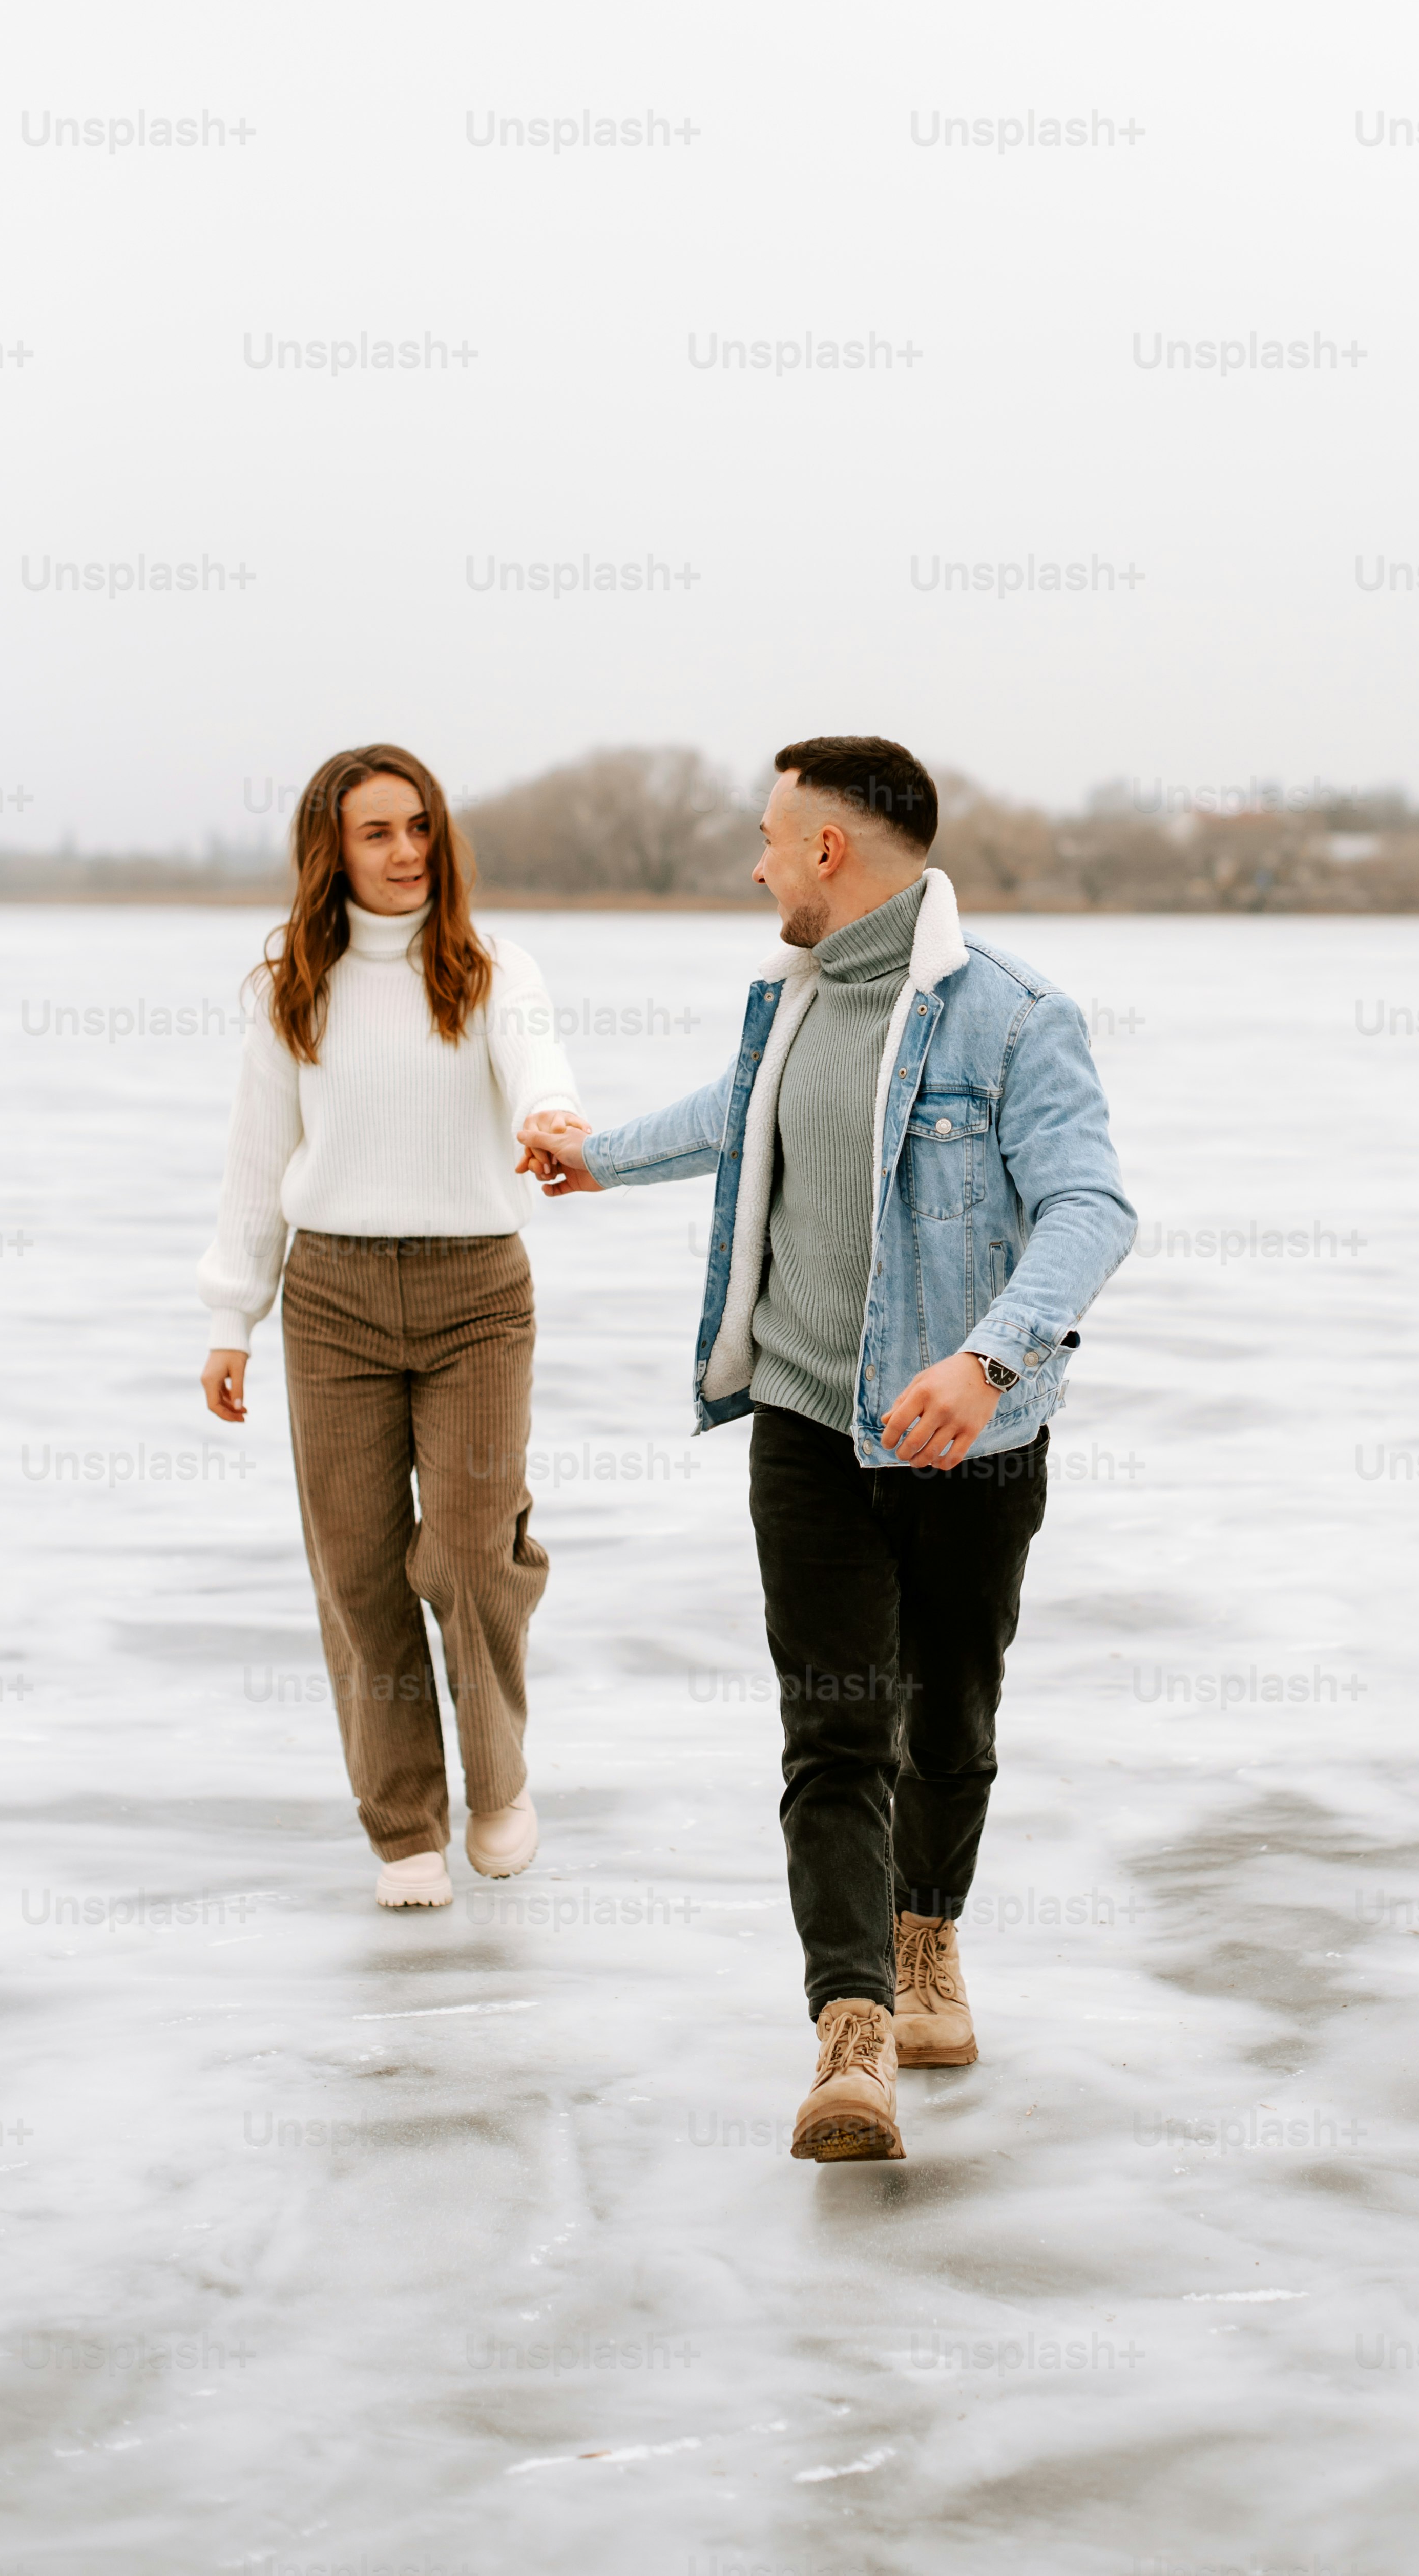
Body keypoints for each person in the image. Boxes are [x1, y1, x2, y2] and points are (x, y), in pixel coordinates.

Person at [517, 735, 1135, 2160]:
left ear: (832, 851)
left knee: (953, 1725)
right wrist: (595, 1151)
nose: (755, 863)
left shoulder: (1017, 1018)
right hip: (801, 1418)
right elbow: (740, 1124)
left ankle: (928, 1943)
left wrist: (988, 1363)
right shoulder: (787, 1005)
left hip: (966, 1438)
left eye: (769, 837)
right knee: (837, 1728)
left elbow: (1092, 1209)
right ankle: (850, 2033)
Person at [198, 744, 584, 1909]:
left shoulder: (489, 964)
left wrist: (551, 1113)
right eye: (378, 832)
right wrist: (233, 1312)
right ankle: (404, 1822)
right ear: (333, 850)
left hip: (477, 1293)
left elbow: (534, 1058)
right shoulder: (292, 984)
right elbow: (259, 1158)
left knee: (470, 1552)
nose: (408, 850)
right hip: (333, 1300)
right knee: (360, 1568)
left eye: (420, 825)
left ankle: (500, 1780)